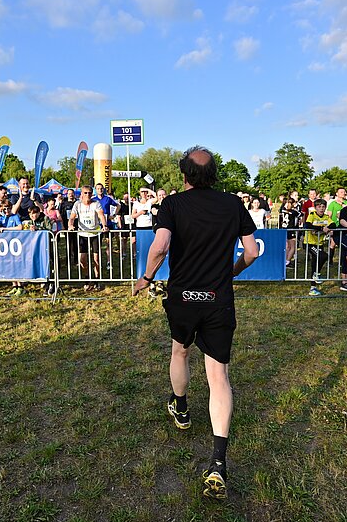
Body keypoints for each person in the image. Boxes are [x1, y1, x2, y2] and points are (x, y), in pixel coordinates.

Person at [132, 146, 258, 500]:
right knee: (218, 375)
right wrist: (231, 273)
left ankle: (181, 407)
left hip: (183, 298)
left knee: (179, 352)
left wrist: (145, 277)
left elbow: (160, 246)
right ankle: (218, 462)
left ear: (184, 175)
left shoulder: (172, 204)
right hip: (218, 299)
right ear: (214, 174)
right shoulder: (233, 203)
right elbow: (251, 252)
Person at [69, 185, 109, 291]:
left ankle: (96, 280)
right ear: (81, 194)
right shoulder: (77, 204)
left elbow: (101, 215)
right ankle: (87, 279)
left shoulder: (96, 203)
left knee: (96, 259)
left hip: (95, 234)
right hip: (83, 235)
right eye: (85, 193)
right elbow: (72, 217)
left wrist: (104, 225)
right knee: (82, 259)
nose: (88, 195)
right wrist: (70, 225)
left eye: (90, 193)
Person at [304, 198, 335, 296]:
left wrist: (328, 228)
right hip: (310, 243)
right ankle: (316, 274)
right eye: (319, 207)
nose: (321, 209)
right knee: (324, 256)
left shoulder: (326, 217)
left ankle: (313, 288)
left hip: (320, 244)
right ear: (315, 208)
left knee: (315, 264)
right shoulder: (312, 215)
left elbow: (333, 224)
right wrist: (321, 228)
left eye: (323, 207)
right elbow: (308, 225)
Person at [278, 198, 301, 266]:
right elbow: (300, 214)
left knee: (287, 246)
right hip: (291, 230)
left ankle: (285, 260)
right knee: (293, 247)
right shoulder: (293, 211)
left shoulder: (282, 210)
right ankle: (287, 261)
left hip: (284, 229)